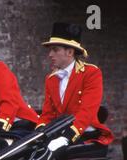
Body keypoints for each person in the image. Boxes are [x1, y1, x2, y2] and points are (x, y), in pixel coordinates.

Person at [37, 22, 114, 151]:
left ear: (70, 52)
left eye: (55, 50)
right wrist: (39, 134)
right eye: (50, 50)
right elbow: (47, 114)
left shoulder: (91, 73)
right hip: (59, 134)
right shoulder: (50, 79)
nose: (50, 54)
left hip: (84, 134)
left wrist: (66, 137)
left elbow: (87, 111)